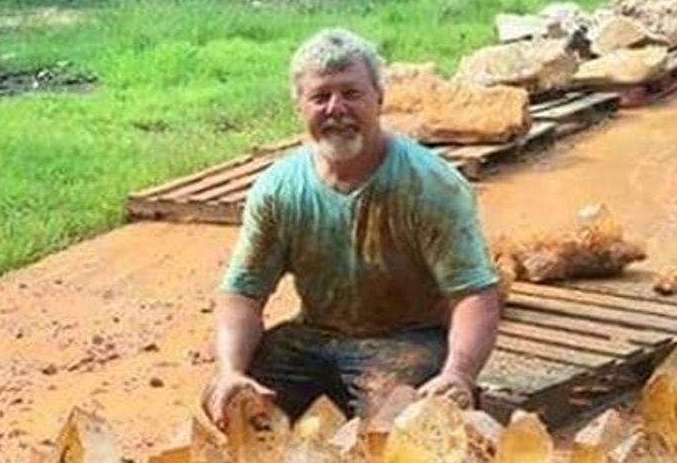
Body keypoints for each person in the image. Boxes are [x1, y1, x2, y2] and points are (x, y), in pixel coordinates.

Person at [202, 27, 502, 427]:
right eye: (320, 97)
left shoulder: (431, 184)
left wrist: (459, 374)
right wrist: (230, 371)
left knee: (407, 428)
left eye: (351, 93)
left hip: (406, 338)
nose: (335, 108)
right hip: (314, 335)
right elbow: (242, 291)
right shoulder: (278, 189)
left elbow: (475, 294)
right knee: (232, 405)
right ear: (299, 107)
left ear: (379, 99)